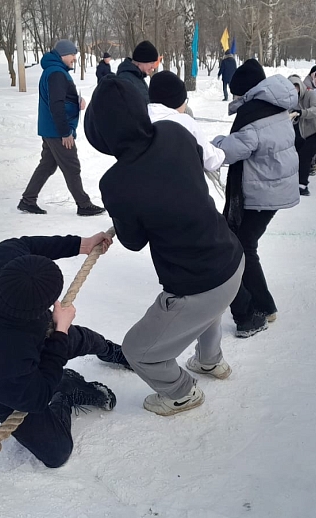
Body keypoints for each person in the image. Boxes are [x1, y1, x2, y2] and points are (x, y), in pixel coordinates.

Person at [86, 76, 245, 416]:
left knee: (138, 350)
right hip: (230, 259)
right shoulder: (176, 133)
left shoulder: (115, 182)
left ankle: (181, 392)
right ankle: (209, 361)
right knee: (209, 309)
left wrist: (128, 207)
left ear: (101, 134)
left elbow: (133, 241)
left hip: (196, 284)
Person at [0, 232, 130, 469]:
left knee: (78, 338)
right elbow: (37, 397)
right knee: (56, 452)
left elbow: (25, 245)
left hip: (18, 330)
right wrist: (60, 332)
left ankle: (111, 351)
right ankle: (63, 392)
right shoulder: (4, 367)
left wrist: (80, 244)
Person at [212, 61, 298, 339]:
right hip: (271, 186)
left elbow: (233, 150)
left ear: (246, 92)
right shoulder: (274, 106)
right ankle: (257, 301)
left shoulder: (254, 116)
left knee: (242, 245)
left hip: (263, 191)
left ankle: (262, 305)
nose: (236, 99)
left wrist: (214, 144)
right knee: (243, 242)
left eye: (237, 94)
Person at [17, 40, 105, 217]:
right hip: (58, 130)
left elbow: (60, 99)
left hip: (50, 128)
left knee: (47, 165)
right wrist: (65, 132)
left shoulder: (55, 71)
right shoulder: (57, 73)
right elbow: (56, 105)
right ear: (63, 54)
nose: (74, 58)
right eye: (73, 55)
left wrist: (77, 101)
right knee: (72, 166)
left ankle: (27, 200)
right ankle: (84, 204)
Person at [147, 71, 225, 173]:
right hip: (177, 184)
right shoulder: (185, 123)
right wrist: (222, 153)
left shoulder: (139, 119)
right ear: (177, 101)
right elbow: (210, 160)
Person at [288, 74, 316, 196]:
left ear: (300, 86)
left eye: (296, 87)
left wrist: (301, 113)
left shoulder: (311, 95)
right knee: (294, 151)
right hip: (306, 134)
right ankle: (293, 180)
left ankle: (302, 185)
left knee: (304, 154)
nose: (294, 91)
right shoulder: (292, 101)